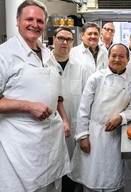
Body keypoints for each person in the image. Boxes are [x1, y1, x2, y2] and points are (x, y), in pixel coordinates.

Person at [0, 0, 70, 192]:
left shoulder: (47, 54)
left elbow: (56, 93)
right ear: (17, 20)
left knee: (49, 187)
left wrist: (64, 118)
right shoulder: (1, 55)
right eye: (29, 19)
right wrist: (28, 106)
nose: (35, 24)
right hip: (20, 143)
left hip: (49, 140)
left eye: (40, 21)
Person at [69, 43, 131, 192]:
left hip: (114, 136)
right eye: (113, 56)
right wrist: (83, 136)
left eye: (122, 56)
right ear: (108, 58)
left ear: (128, 59)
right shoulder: (96, 78)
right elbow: (83, 109)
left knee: (112, 178)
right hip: (94, 134)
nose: (117, 59)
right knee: (91, 178)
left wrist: (121, 117)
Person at [52, 26, 90, 192]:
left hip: (73, 124)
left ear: (73, 43)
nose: (64, 42)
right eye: (61, 38)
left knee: (72, 166)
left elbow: (87, 99)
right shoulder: (44, 64)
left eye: (68, 39)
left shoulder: (79, 67)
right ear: (54, 39)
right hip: (50, 125)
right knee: (52, 165)